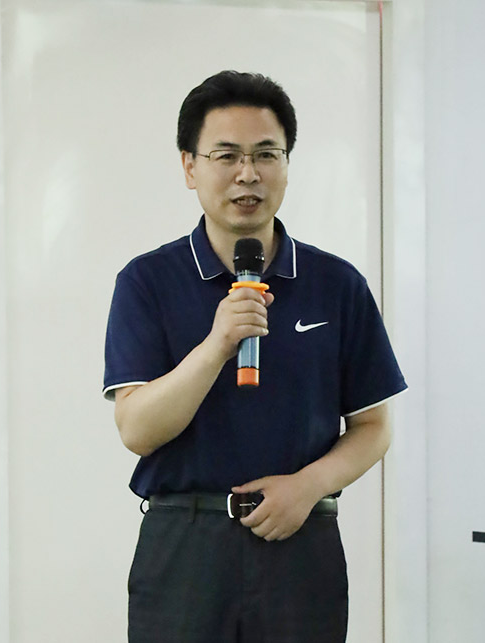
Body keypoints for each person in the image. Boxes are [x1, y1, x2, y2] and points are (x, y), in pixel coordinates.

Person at [103, 70, 406, 643]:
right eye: (227, 156)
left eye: (267, 154)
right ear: (190, 167)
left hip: (300, 542)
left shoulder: (336, 284)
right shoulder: (147, 281)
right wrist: (218, 344)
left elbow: (373, 426)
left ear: (287, 164)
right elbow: (138, 430)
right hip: (185, 545)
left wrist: (308, 487)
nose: (248, 173)